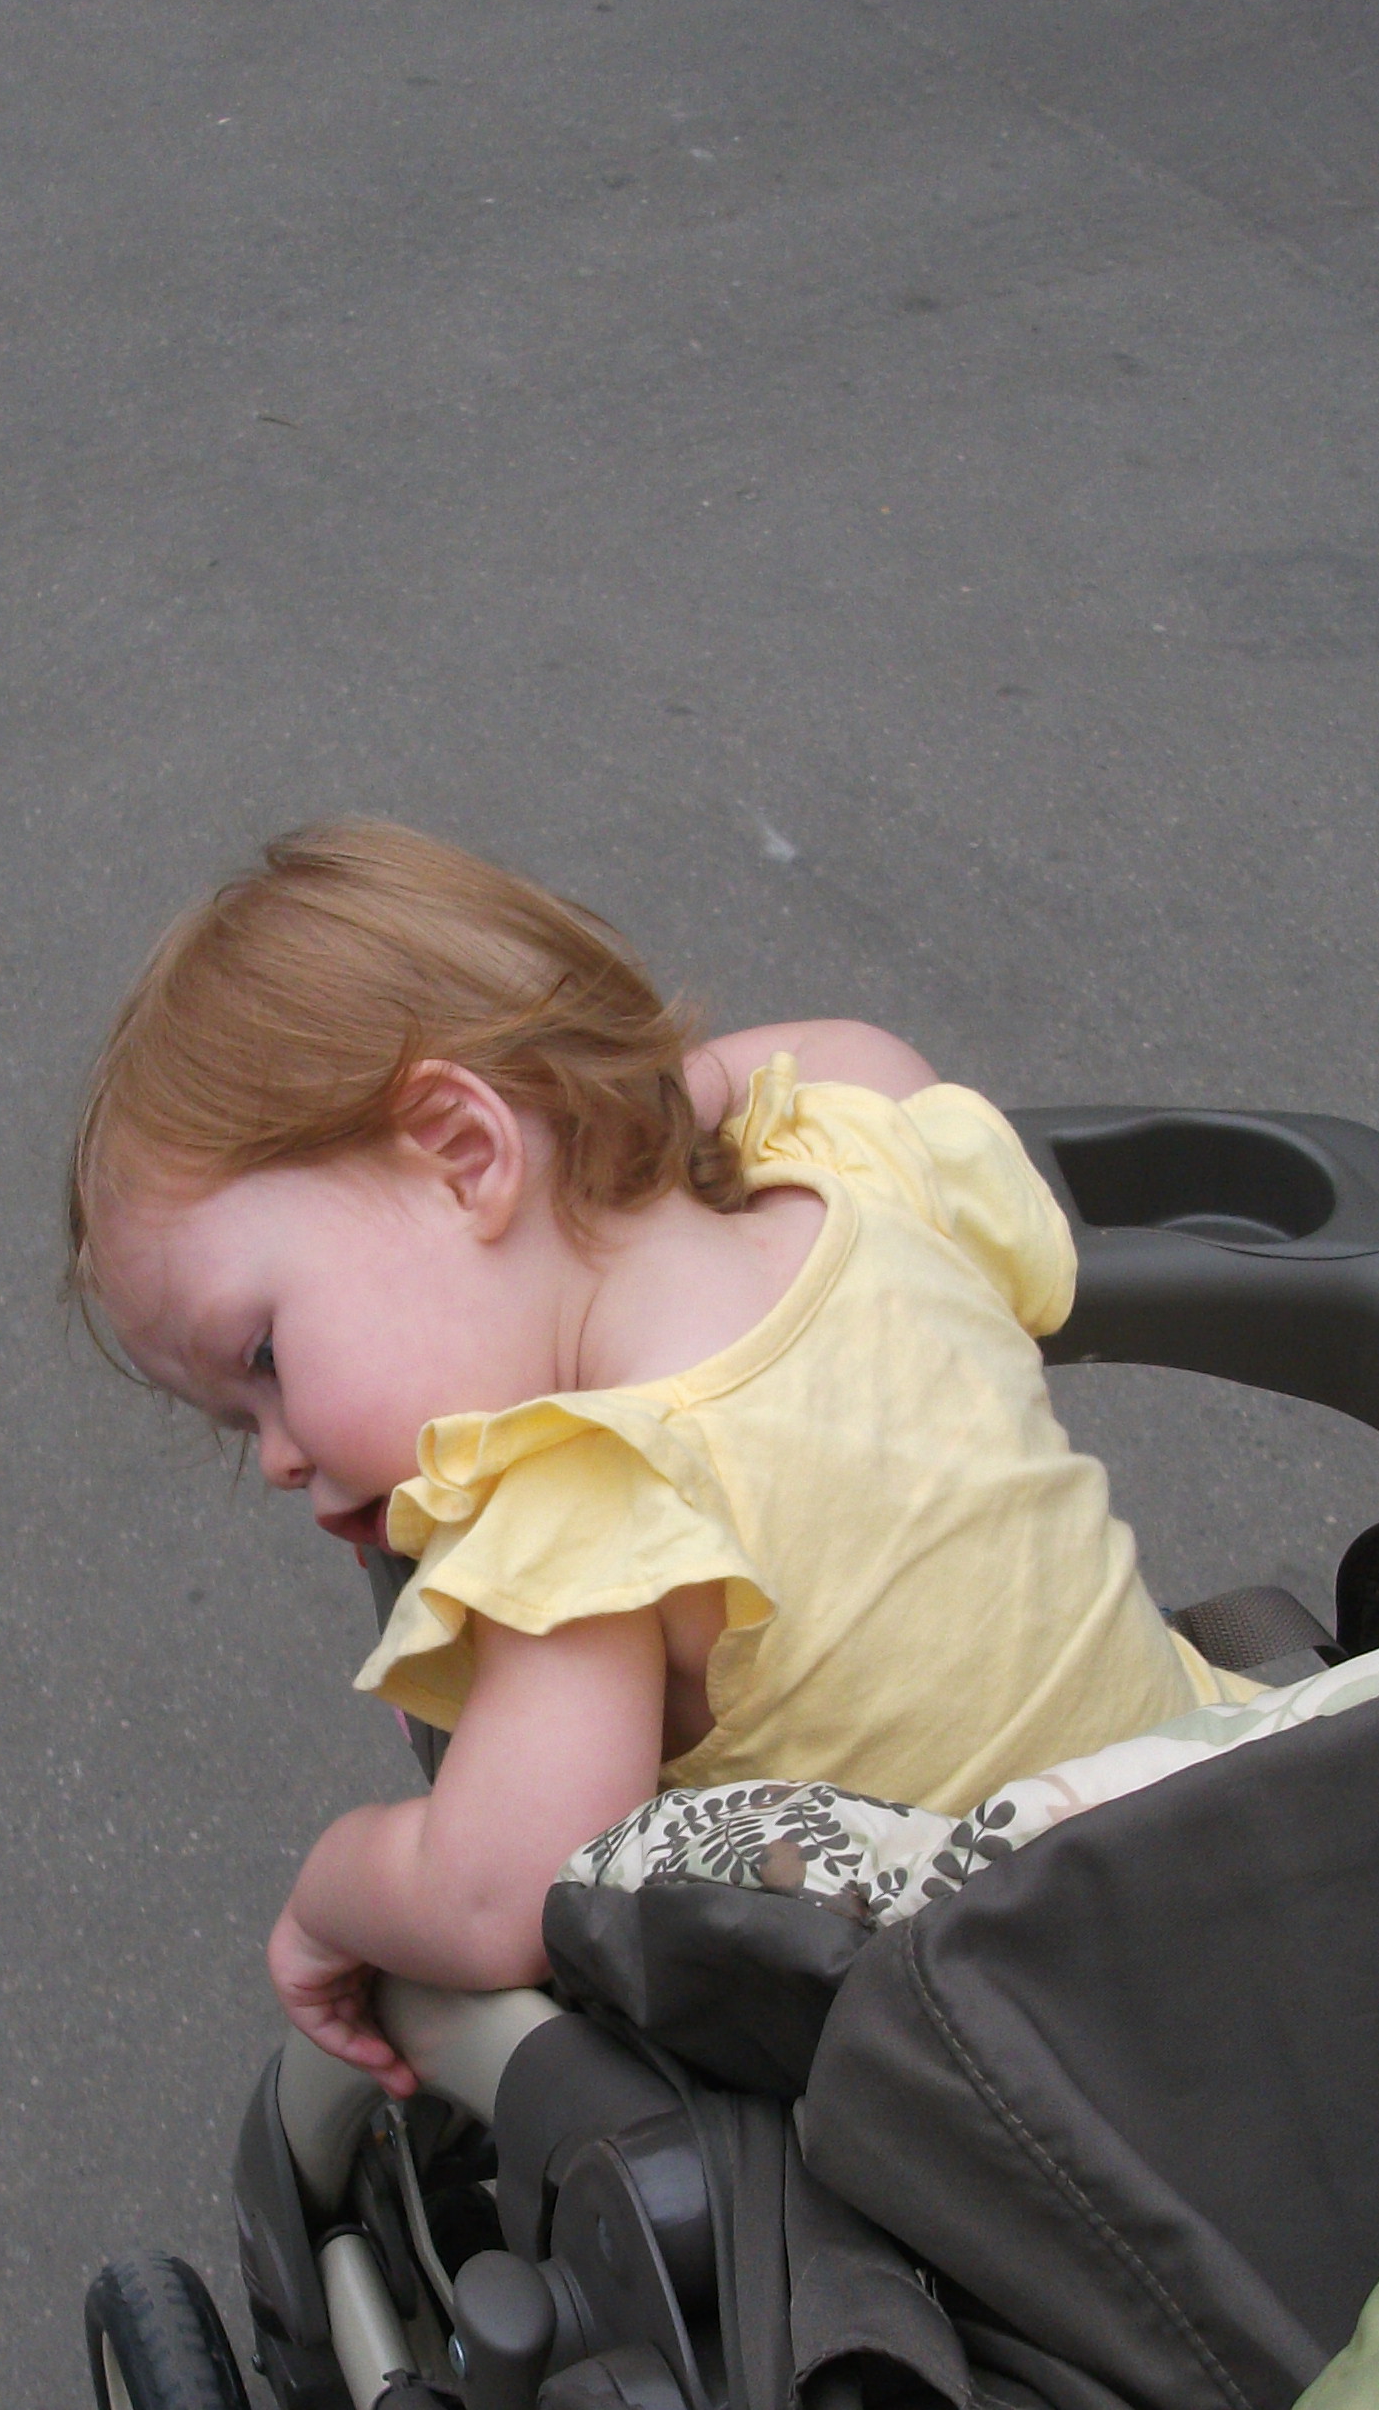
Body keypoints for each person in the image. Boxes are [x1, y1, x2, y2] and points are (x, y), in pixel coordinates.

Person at [69, 820, 1240, 2093]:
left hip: (1033, 2044)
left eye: (263, 1360)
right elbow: (857, 1051)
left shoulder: (594, 1503)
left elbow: (490, 1899)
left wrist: (328, 1892)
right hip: (1246, 1813)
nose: (282, 1460)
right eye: (242, 1427)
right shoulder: (857, 1174)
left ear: (463, 1154)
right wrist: (618, 1106)